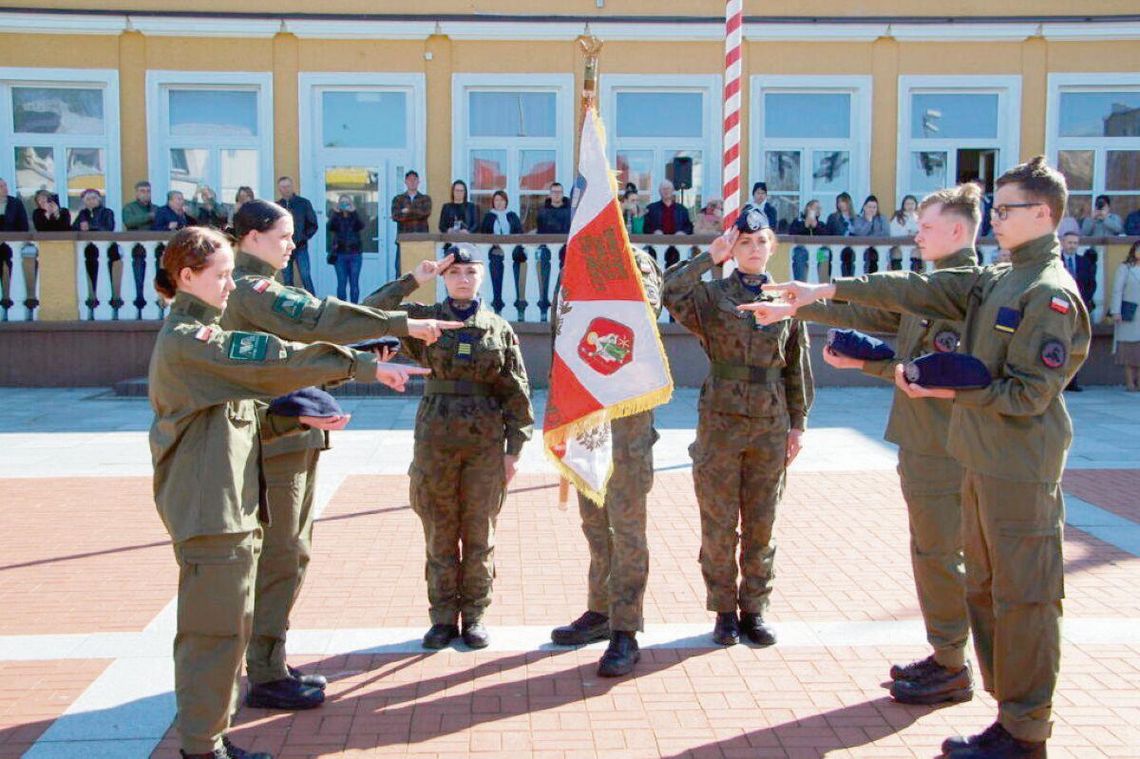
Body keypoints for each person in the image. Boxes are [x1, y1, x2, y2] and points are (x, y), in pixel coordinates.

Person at [742, 156, 1091, 758]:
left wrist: (947, 389)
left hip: (1018, 464)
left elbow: (1030, 393)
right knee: (988, 590)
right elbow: (910, 293)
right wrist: (820, 294)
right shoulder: (1001, 278)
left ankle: (1026, 730)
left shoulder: (1047, 292)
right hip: (982, 454)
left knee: (1025, 598)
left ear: (1042, 214)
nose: (996, 219)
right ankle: (1009, 717)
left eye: (1007, 210)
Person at [148, 226, 422, 759]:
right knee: (212, 636)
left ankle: (211, 740)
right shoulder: (190, 341)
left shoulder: (201, 338)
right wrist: (361, 365)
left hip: (229, 509)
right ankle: (202, 749)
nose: (231, 286)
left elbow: (237, 422)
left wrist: (292, 419)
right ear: (186, 277)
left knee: (229, 631)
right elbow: (274, 359)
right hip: (210, 512)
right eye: (221, 275)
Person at [221, 200, 460, 711]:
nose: (292, 244)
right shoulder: (252, 289)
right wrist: (402, 323)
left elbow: (330, 323)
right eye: (284, 236)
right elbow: (322, 322)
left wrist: (407, 286)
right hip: (275, 437)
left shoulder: (269, 287)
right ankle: (265, 673)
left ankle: (270, 660)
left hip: (292, 433)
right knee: (281, 557)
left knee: (291, 554)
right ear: (252, 237)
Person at [795, 183, 982, 706]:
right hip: (924, 440)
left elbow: (926, 366)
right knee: (932, 552)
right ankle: (946, 654)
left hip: (944, 445)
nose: (917, 235)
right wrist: (802, 307)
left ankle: (952, 664)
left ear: (957, 231)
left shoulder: (960, 289)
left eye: (926, 227)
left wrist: (828, 297)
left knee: (940, 554)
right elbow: (874, 316)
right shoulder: (935, 287)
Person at [364, 244, 533, 651]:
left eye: (470, 272)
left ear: (481, 277)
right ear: (443, 277)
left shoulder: (498, 328)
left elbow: (517, 392)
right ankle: (441, 618)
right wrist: (413, 279)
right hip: (435, 443)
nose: (462, 279)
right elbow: (370, 312)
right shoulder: (423, 320)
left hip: (484, 446)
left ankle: (474, 615)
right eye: (454, 272)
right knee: (439, 531)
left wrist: (514, 451)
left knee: (479, 532)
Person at [662, 206, 813, 648]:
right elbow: (671, 291)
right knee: (719, 521)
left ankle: (755, 609)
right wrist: (710, 257)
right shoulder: (712, 298)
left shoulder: (787, 299)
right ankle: (724, 611)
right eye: (744, 243)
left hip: (770, 423)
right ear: (734, 249)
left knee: (763, 523)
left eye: (760, 242)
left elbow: (796, 366)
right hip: (720, 423)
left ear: (772, 247)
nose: (753, 249)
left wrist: (799, 424)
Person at [550, 246, 663, 677]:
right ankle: (600, 612)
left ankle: (626, 630)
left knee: (627, 531)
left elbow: (643, 312)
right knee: (595, 526)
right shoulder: (575, 250)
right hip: (585, 419)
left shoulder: (634, 259)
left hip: (626, 424)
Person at [478, 190, 525, 317]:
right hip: (495, 255)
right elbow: (483, 235)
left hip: (511, 256)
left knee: (512, 282)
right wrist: (494, 242)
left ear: (506, 202)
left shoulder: (512, 216)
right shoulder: (489, 217)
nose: (499, 203)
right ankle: (497, 309)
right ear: (493, 202)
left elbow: (519, 233)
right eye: (496, 200)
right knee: (496, 282)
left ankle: (512, 310)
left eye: (502, 200)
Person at [1061, 231, 1097, 392]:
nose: (1072, 246)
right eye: (1070, 242)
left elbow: (1091, 284)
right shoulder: (1055, 262)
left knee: (1076, 344)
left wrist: (1083, 301)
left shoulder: (1084, 262)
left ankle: (1072, 381)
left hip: (1079, 309)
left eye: (1075, 243)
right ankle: (1059, 382)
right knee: (1060, 344)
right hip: (1058, 308)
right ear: (1063, 243)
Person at [535, 182, 572, 321]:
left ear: (563, 194)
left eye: (559, 192)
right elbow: (540, 232)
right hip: (547, 251)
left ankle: (563, 309)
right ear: (550, 194)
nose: (557, 195)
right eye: (554, 192)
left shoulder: (570, 212)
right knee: (546, 280)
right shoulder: (542, 212)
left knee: (565, 281)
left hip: (565, 251)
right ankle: (544, 308)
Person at [276, 177, 319, 294]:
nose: (286, 189)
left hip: (301, 247)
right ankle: (290, 303)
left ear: (292, 187)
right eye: (283, 187)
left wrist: (303, 238)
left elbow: (313, 224)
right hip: (284, 248)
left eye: (288, 186)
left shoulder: (304, 203)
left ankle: (314, 301)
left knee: (305, 276)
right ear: (279, 189)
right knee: (287, 279)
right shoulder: (277, 206)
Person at [390, 169, 432, 277]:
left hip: (421, 240)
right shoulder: (398, 199)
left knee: (421, 271)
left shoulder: (425, 199)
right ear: (405, 182)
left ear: (418, 182)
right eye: (409, 180)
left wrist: (406, 211)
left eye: (414, 179)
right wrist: (415, 212)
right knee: (401, 271)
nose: (412, 182)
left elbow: (425, 213)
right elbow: (396, 216)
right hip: (403, 240)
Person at [643, 179, 693, 269]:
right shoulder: (651, 208)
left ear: (673, 191)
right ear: (659, 191)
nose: (666, 191)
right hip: (657, 248)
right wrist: (654, 232)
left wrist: (683, 232)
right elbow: (645, 227)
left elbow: (689, 227)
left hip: (677, 249)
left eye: (668, 188)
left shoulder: (682, 209)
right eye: (664, 189)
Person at [1110, 241, 1140, 391]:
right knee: (1129, 351)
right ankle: (1130, 383)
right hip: (1129, 314)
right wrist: (1116, 311)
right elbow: (1117, 290)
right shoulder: (1125, 268)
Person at [327, 194, 366, 303]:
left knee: (354, 283)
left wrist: (354, 212)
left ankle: (354, 307)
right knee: (341, 283)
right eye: (342, 203)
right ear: (339, 204)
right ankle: (341, 308)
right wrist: (335, 213)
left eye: (347, 203)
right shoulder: (335, 215)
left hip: (355, 254)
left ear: (351, 204)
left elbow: (361, 226)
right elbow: (330, 227)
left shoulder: (355, 215)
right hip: (339, 254)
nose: (344, 205)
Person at [890, 195, 920, 272]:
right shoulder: (898, 217)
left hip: (914, 254)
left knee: (914, 276)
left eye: (912, 204)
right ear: (903, 205)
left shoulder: (918, 218)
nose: (910, 206)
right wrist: (907, 233)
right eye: (908, 204)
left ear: (916, 205)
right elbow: (893, 233)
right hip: (899, 254)